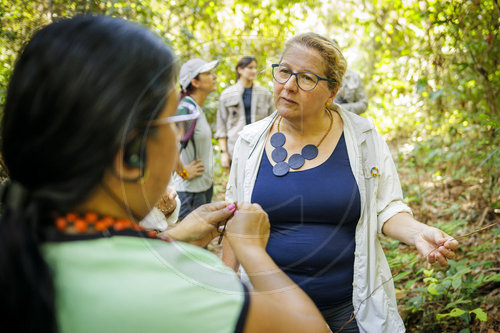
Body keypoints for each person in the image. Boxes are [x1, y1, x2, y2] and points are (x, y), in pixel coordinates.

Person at [0, 16, 332, 333]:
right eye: (173, 122)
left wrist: (175, 236)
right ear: (131, 156)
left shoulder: (24, 239)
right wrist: (251, 249)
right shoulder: (187, 285)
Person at [222, 32, 459, 333]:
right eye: (283, 71)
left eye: (306, 78)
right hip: (270, 309)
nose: (289, 85)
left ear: (332, 92)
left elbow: (385, 207)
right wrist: (226, 293)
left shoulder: (362, 137)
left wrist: (418, 233)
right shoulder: (249, 141)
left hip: (350, 308)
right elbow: (234, 219)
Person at [172, 58, 217, 220]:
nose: (215, 77)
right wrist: (182, 172)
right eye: (208, 73)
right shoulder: (186, 108)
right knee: (191, 244)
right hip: (190, 192)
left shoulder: (195, 107)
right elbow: (167, 143)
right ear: (195, 82)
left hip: (202, 188)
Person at [215, 56, 274, 168]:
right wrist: (224, 153)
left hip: (260, 148)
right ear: (240, 70)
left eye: (255, 68)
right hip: (235, 148)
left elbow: (272, 122)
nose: (254, 71)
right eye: (250, 67)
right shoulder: (227, 94)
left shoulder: (264, 94)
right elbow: (221, 126)